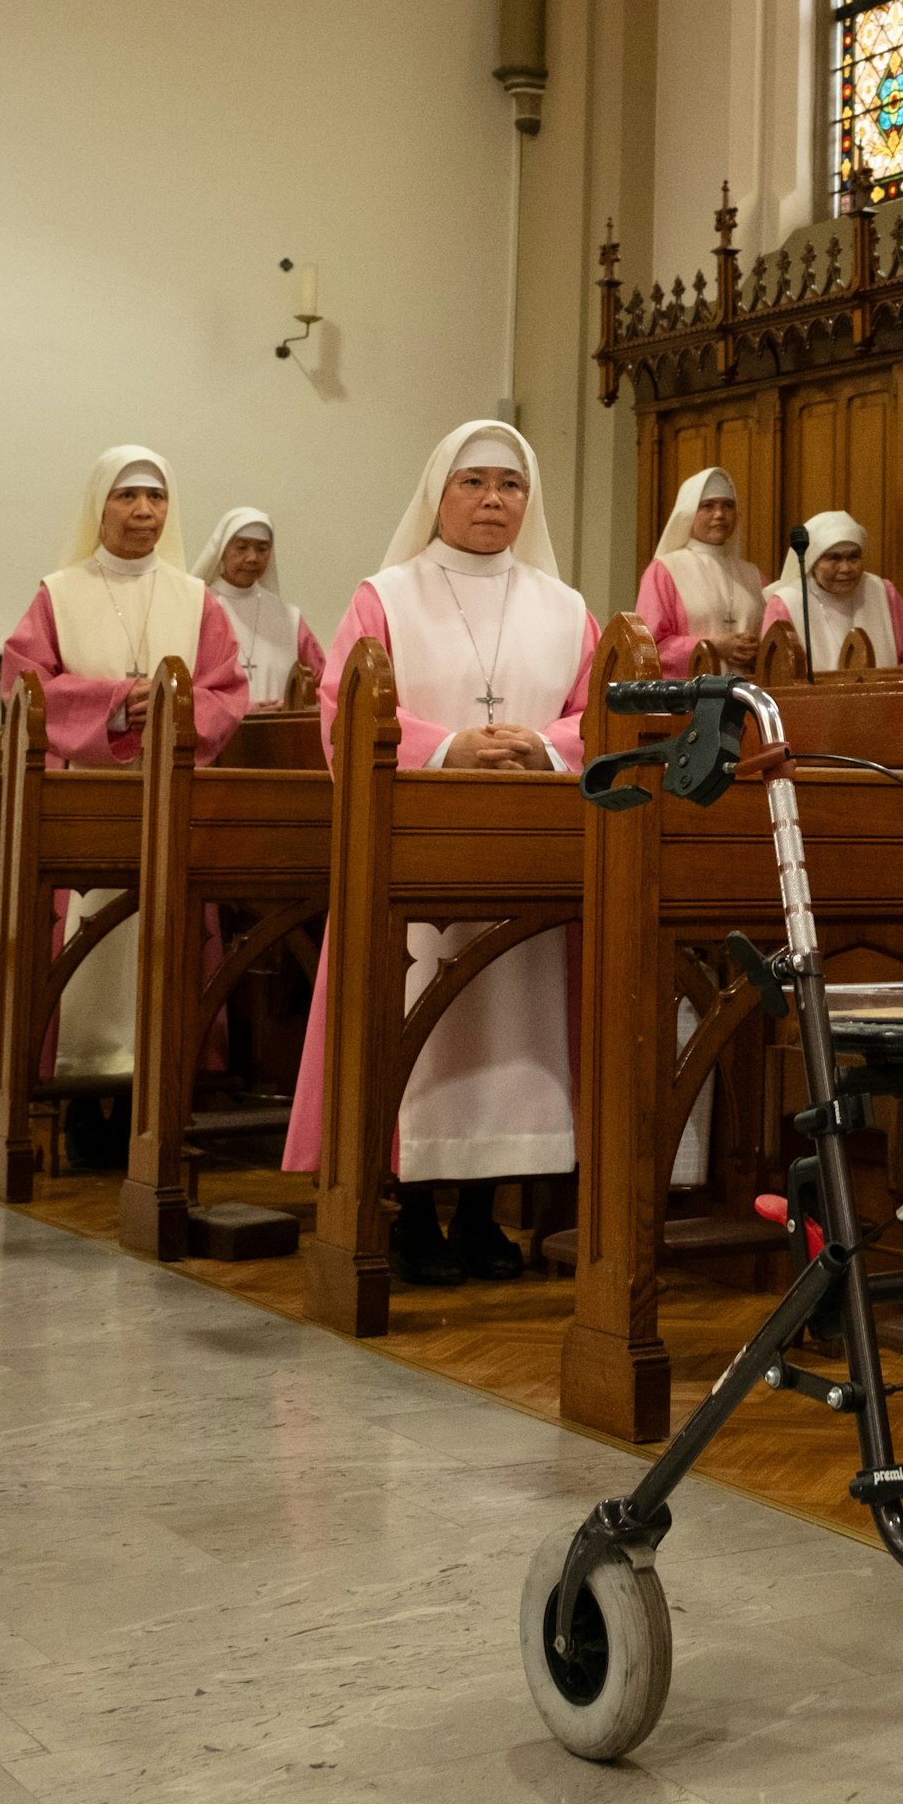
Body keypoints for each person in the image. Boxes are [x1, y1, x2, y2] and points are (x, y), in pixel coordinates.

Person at [281, 422, 597, 1289]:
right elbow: (345, 707)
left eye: (510, 485)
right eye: (475, 483)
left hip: (527, 854)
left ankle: (481, 1215)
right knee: (421, 1016)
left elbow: (599, 713)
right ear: (439, 494)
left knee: (509, 1027)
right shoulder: (385, 595)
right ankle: (410, 1212)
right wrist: (450, 745)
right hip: (414, 851)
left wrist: (543, 745)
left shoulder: (566, 608)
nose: (494, 499)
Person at [1, 447, 247, 1158]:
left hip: (170, 796)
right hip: (87, 803)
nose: (143, 512)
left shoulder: (196, 600)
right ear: (98, 507)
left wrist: (171, 707)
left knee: (164, 946)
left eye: (156, 498)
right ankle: (81, 1110)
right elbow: (24, 685)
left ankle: (154, 1101)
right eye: (127, 497)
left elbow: (228, 693)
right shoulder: (59, 591)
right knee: (91, 946)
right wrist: (114, 705)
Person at [759, 511, 903, 673]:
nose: (846, 568)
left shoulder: (882, 592)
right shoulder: (787, 602)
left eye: (853, 557)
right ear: (813, 562)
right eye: (834, 558)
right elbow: (775, 673)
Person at [636, 468, 766, 674]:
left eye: (728, 506)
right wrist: (713, 646)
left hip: (748, 697)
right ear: (688, 513)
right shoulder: (664, 570)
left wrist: (757, 650)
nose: (720, 514)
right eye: (708, 506)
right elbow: (649, 648)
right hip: (687, 699)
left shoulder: (753, 575)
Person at [192, 506, 325, 705]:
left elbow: (323, 682)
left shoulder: (288, 617)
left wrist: (292, 703)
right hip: (218, 734)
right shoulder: (199, 607)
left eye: (262, 549)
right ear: (222, 550)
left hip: (279, 732)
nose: (252, 557)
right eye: (242, 547)